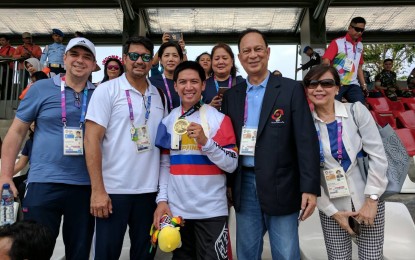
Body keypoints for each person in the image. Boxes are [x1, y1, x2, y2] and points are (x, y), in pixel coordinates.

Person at [221, 28, 320, 260]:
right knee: (246, 253)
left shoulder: (291, 89)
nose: (252, 55)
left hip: (282, 183)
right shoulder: (232, 96)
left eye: (258, 49)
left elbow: (306, 141)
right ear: (240, 56)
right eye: (246, 51)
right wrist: (227, 184)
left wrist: (310, 188)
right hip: (244, 184)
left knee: (286, 253)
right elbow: (227, 143)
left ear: (267, 52)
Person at [0, 37, 97, 259]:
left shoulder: (101, 94)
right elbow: (16, 132)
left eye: (86, 57)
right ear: (64, 58)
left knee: (79, 253)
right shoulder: (40, 88)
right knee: (33, 251)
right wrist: (5, 175)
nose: (79, 60)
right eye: (74, 54)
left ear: (94, 65)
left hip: (84, 186)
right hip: (43, 183)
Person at [84, 36, 167, 260]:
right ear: (124, 58)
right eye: (134, 55)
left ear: (152, 61)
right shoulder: (107, 90)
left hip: (149, 193)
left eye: (146, 57)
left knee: (144, 255)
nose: (139, 61)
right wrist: (98, 190)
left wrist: (163, 196)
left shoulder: (159, 95)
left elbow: (163, 147)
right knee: (106, 254)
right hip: (113, 192)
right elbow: (91, 140)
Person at [154, 61, 238, 259]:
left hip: (212, 211)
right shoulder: (168, 122)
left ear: (203, 85)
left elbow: (232, 164)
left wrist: (205, 142)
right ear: (175, 86)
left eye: (194, 81)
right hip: (178, 213)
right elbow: (166, 165)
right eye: (182, 82)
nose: (188, 87)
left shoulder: (219, 119)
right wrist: (162, 200)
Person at [303, 64, 388, 259]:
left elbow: (378, 155)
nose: (319, 89)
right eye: (312, 84)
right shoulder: (304, 123)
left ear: (337, 88)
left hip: (368, 200)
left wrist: (372, 200)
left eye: (326, 83)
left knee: (371, 257)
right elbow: (308, 174)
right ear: (306, 89)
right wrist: (332, 212)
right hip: (332, 206)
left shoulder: (356, 112)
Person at [322, 17, 368, 104]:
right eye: (357, 29)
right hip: (337, 84)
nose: (359, 32)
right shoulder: (337, 42)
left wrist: (364, 85)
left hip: (353, 84)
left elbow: (359, 67)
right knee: (333, 108)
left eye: (362, 30)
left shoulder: (360, 45)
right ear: (349, 27)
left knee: (361, 108)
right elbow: (326, 62)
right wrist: (329, 80)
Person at [202, 43, 244, 109]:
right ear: (212, 62)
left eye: (224, 58)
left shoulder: (243, 83)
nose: (221, 62)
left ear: (232, 62)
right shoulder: (202, 85)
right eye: (216, 59)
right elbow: (194, 111)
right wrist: (209, 107)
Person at [150, 41, 184, 111]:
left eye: (175, 55)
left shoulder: (186, 82)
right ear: (160, 60)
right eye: (166, 55)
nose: (171, 59)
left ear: (180, 60)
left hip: (184, 121)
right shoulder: (151, 82)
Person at [12, 122, 35, 202]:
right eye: (31, 121)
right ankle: (16, 212)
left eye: (35, 120)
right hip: (31, 174)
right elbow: (20, 164)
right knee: (10, 184)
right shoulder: (29, 142)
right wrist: (4, 176)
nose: (33, 124)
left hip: (41, 176)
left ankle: (25, 211)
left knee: (22, 187)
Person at [0, 35, 16, 100]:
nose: (1, 42)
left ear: (8, 41)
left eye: (3, 40)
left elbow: (12, 57)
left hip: (8, 68)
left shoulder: (12, 49)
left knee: (7, 84)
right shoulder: (1, 49)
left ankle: (7, 98)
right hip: (1, 68)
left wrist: (2, 56)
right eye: (0, 40)